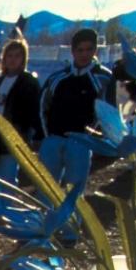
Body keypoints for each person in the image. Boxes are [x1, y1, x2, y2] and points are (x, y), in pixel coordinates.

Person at [38, 28, 115, 191]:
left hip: (81, 142)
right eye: (80, 50)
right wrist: (47, 136)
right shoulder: (58, 78)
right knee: (46, 191)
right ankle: (44, 216)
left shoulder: (104, 79)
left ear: (95, 50)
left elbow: (111, 113)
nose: (84, 54)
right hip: (54, 139)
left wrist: (95, 138)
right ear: (73, 51)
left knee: (74, 193)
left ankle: (73, 218)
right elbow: (43, 106)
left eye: (89, 49)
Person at [0, 39, 40, 211]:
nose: (13, 60)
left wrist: (25, 135)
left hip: (12, 138)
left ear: (24, 59)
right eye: (10, 56)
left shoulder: (29, 82)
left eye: (17, 56)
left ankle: (6, 209)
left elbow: (32, 112)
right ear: (4, 58)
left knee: (8, 176)